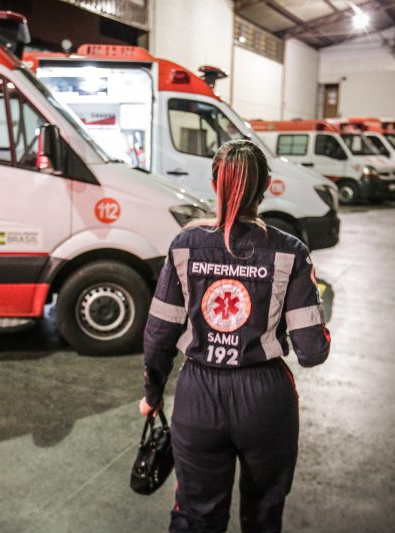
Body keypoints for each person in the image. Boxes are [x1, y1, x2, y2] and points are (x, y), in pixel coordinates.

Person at [139, 139, 330, 533]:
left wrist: (153, 396)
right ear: (265, 188)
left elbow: (158, 335)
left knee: (196, 516)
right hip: (266, 401)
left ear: (214, 185)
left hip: (198, 398)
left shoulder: (184, 246)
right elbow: (312, 351)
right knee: (263, 515)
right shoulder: (291, 252)